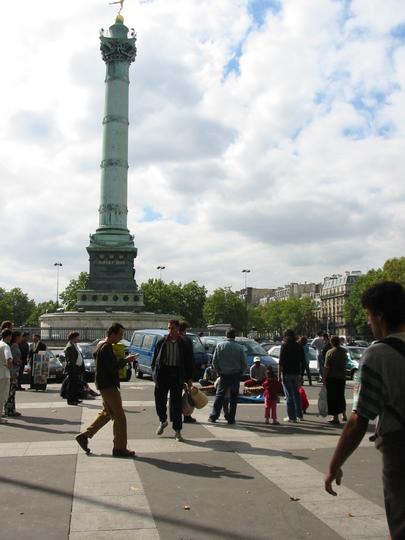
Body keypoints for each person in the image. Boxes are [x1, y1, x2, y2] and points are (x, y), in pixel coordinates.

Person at [325, 281, 405, 540]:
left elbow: (359, 419)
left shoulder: (378, 355)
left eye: (369, 316)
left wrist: (335, 465)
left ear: (379, 315)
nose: (369, 323)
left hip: (400, 448)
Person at [75, 323, 138, 457]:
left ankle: (85, 436)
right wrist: (126, 360)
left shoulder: (101, 344)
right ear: (113, 334)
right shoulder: (107, 347)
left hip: (103, 384)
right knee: (120, 417)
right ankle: (119, 448)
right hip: (108, 385)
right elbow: (112, 367)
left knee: (107, 413)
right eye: (120, 334)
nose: (121, 338)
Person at [152, 320, 193, 442]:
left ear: (178, 329)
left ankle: (177, 431)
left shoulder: (184, 343)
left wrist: (189, 378)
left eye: (173, 328)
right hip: (162, 375)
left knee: (176, 404)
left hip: (176, 375)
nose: (170, 331)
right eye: (169, 328)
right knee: (159, 401)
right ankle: (163, 420)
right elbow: (155, 360)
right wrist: (154, 374)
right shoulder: (161, 342)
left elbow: (189, 361)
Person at [208, 328, 247, 425]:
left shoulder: (220, 346)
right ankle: (231, 418)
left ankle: (214, 415)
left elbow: (214, 361)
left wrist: (218, 372)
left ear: (226, 336)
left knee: (220, 395)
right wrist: (240, 372)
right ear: (235, 336)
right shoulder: (239, 347)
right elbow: (244, 363)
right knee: (233, 397)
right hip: (235, 374)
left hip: (224, 374)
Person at [279, 329, 304, 422]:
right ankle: (300, 415)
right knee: (297, 394)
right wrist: (301, 374)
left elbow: (281, 362)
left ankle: (292, 417)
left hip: (287, 373)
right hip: (296, 373)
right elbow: (303, 361)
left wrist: (279, 375)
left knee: (289, 395)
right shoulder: (298, 346)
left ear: (286, 336)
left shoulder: (284, 346)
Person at [324, 335, 347, 425]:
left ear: (331, 342)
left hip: (332, 377)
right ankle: (344, 414)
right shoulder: (344, 351)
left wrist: (324, 378)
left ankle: (335, 417)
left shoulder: (330, 352)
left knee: (333, 398)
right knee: (341, 396)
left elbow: (327, 367)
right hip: (342, 377)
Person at [178, 321, 197, 424]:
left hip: (175, 372)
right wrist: (190, 376)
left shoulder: (173, 339)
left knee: (176, 395)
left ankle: (176, 415)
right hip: (185, 372)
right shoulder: (187, 340)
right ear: (185, 329)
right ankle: (187, 415)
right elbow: (190, 359)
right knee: (187, 394)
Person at [4, 331, 23, 417]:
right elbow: (11, 360)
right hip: (13, 372)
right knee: (11, 393)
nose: (21, 338)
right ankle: (10, 410)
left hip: (14, 371)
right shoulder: (14, 347)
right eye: (20, 337)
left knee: (11, 392)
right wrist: (18, 362)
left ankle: (10, 409)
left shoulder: (13, 346)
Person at [64, 332, 85, 406]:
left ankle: (75, 399)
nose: (79, 338)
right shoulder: (69, 346)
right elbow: (71, 360)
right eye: (78, 337)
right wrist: (74, 369)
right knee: (71, 385)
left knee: (75, 385)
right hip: (73, 369)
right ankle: (71, 400)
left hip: (77, 368)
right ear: (74, 337)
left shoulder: (74, 345)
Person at [0, 329, 12, 423]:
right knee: (2, 396)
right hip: (3, 374)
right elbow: (8, 358)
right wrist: (9, 366)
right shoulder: (5, 346)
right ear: (8, 336)